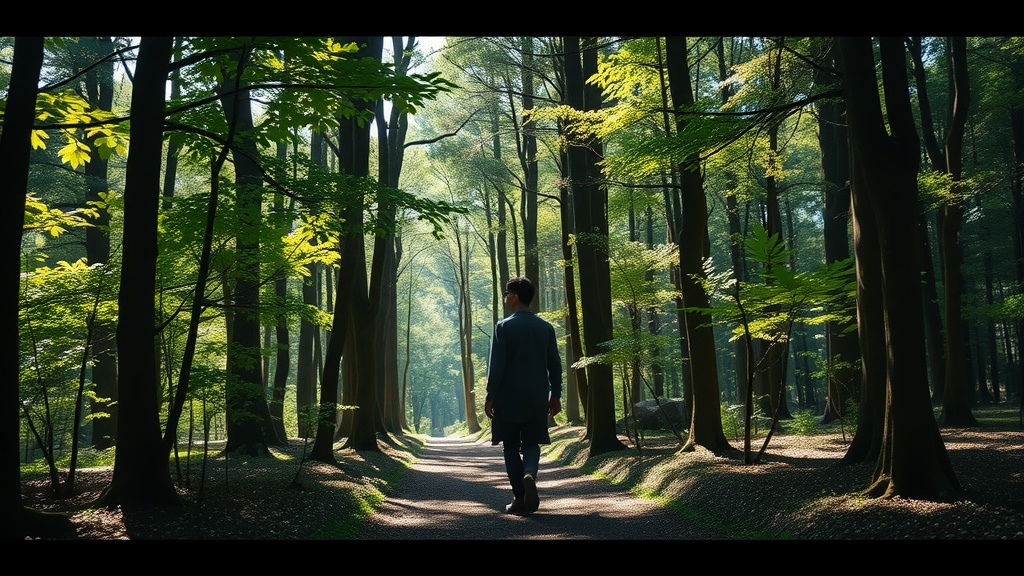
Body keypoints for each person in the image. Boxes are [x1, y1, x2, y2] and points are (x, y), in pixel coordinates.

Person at [484, 276, 562, 516]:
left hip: (508, 398)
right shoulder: (545, 327)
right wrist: (555, 395)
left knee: (510, 446)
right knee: (531, 441)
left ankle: (519, 498)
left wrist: (490, 395)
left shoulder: (503, 326)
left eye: (507, 294)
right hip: (536, 397)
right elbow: (555, 365)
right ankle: (530, 472)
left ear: (515, 297)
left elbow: (496, 366)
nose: (506, 299)